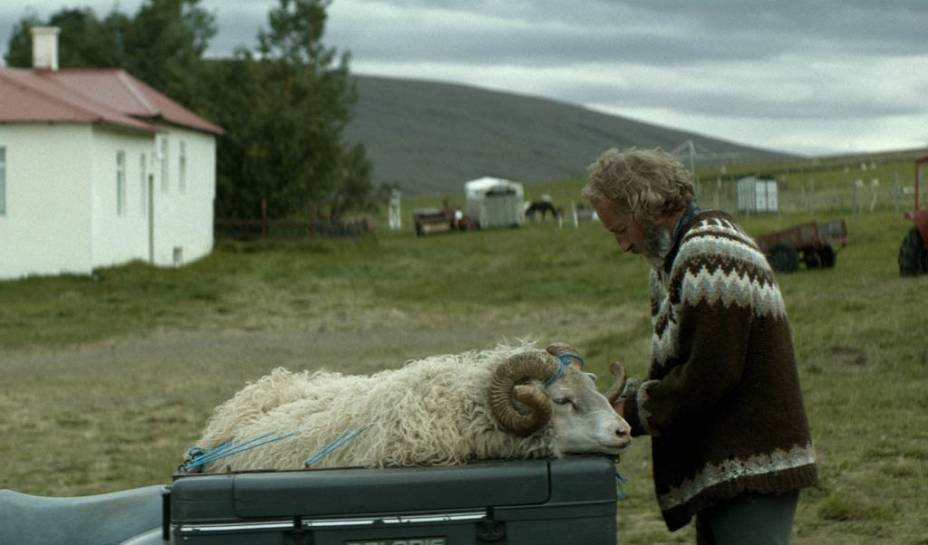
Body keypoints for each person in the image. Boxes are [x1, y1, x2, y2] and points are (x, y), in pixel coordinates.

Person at [582, 148, 817, 545]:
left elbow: (708, 376)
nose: (622, 245)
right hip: (729, 466)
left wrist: (631, 410)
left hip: (751, 468)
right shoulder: (676, 258)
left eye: (620, 229)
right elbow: (689, 363)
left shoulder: (708, 253)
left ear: (646, 208)